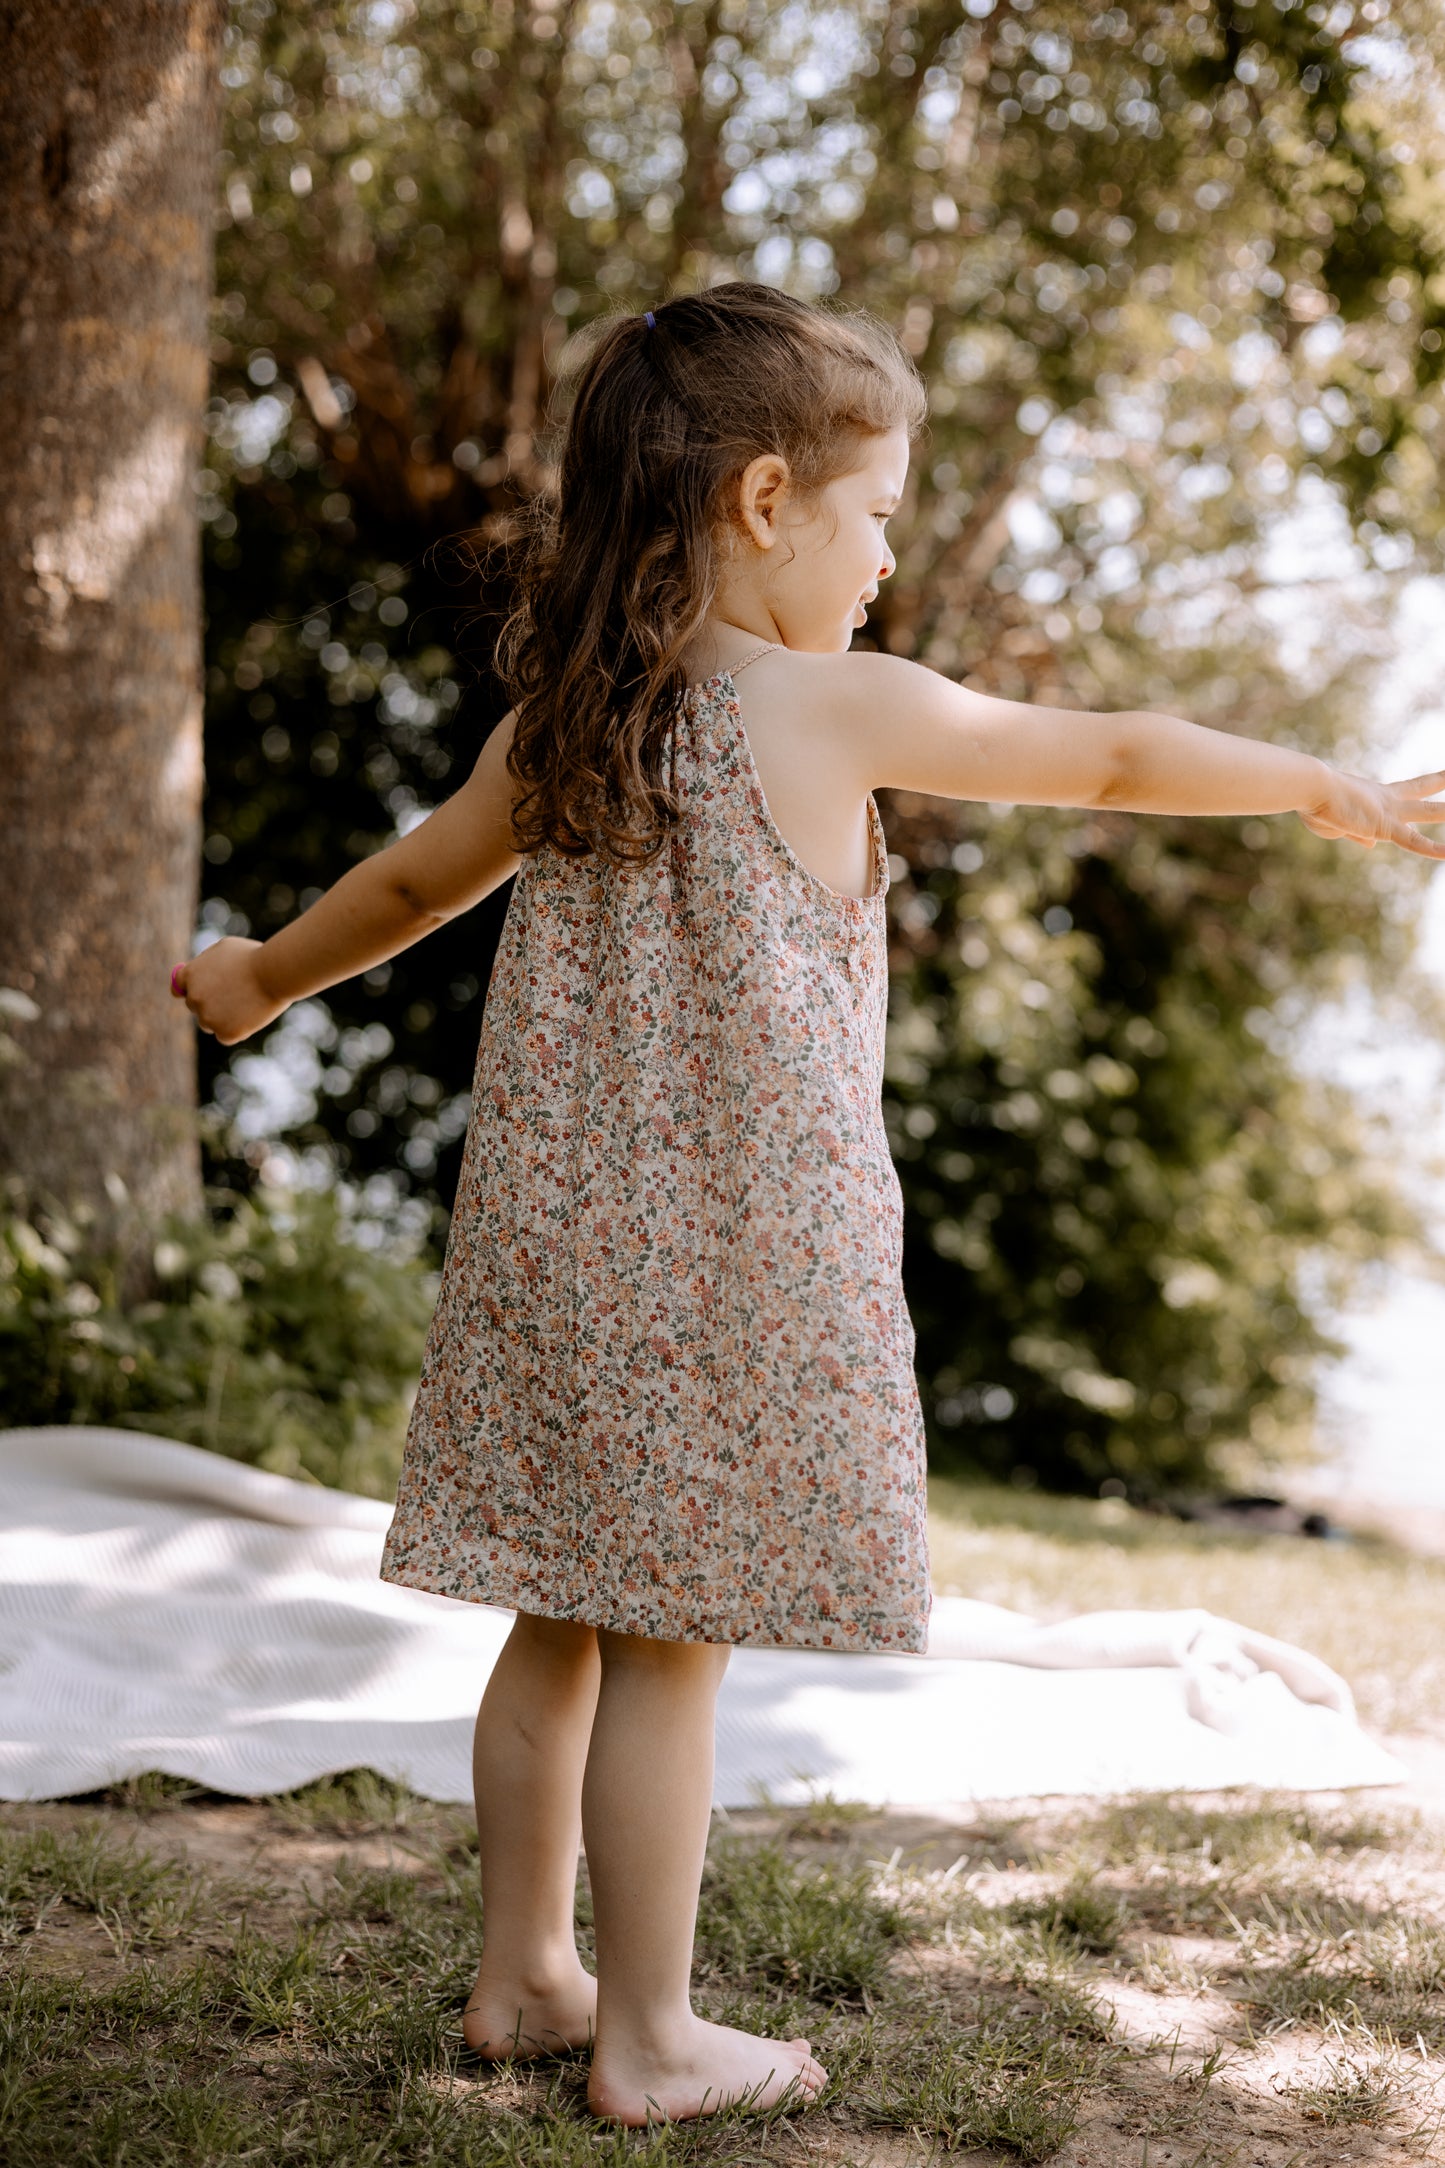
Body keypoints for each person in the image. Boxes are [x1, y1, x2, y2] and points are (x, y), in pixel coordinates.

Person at [171, 281, 1445, 2127]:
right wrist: (1326, 789)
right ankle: (652, 2037)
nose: (881, 564)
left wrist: (255, 983)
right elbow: (1097, 753)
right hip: (735, 1271)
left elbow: (398, 892)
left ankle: (528, 1974)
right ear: (765, 502)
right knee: (670, 1644)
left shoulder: (566, 728)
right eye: (871, 519)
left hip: (551, 1255)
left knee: (556, 1620)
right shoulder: (829, 706)